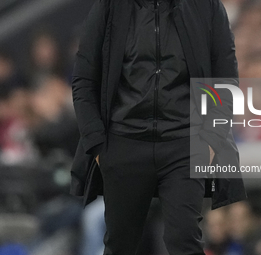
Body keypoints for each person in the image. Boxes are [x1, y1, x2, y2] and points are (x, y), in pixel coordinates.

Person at [70, 0, 247, 254]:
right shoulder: (110, 6)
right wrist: (97, 144)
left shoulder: (206, 6)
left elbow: (225, 77)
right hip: (123, 142)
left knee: (185, 241)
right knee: (120, 244)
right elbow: (84, 79)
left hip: (186, 140)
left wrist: (210, 139)